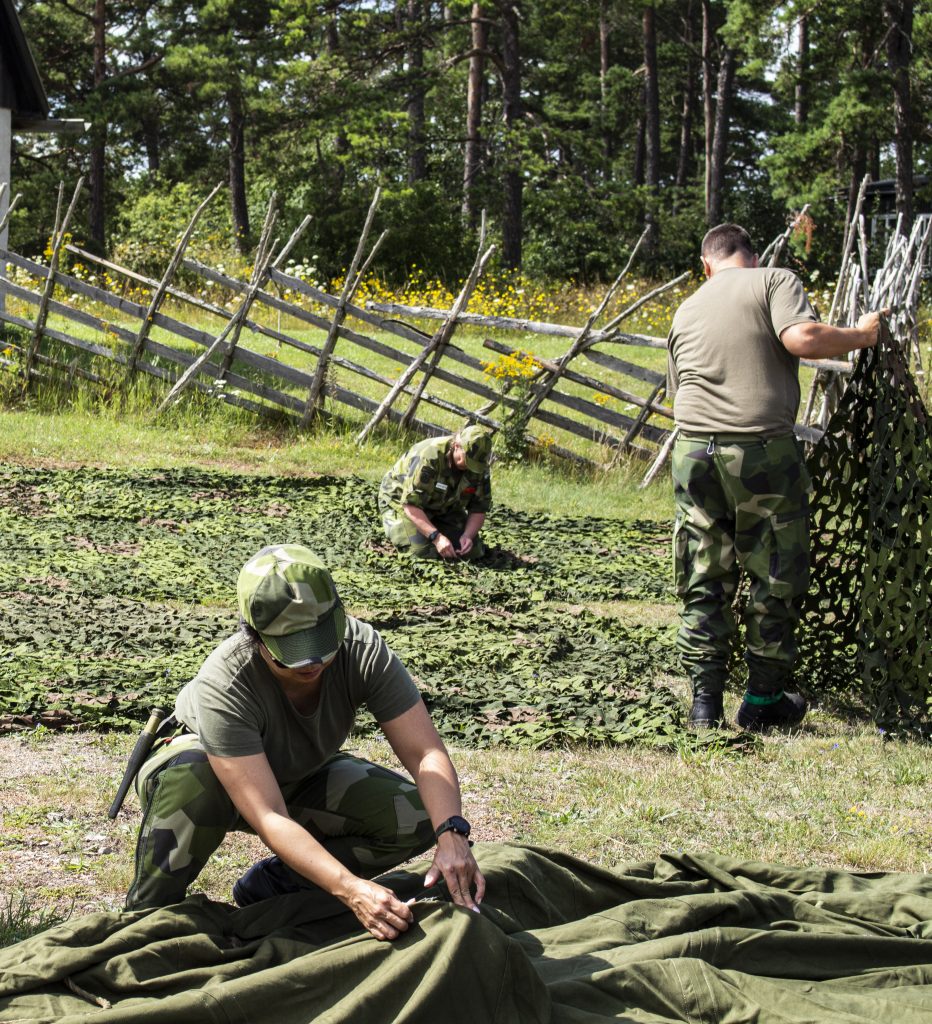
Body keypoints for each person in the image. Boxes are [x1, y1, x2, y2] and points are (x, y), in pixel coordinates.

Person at [125, 543, 484, 940]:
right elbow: (269, 815)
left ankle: (278, 888)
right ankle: (148, 914)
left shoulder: (362, 650)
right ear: (255, 635)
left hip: (296, 772)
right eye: (292, 652)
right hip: (204, 775)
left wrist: (452, 833)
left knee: (415, 814)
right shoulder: (224, 681)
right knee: (195, 774)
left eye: (321, 643)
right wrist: (350, 889)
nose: (313, 662)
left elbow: (425, 752)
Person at [666, 223, 885, 732]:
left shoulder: (686, 307)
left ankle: (704, 704)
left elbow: (677, 390)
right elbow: (802, 338)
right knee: (775, 571)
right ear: (751, 255)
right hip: (759, 450)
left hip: (692, 450)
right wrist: (862, 335)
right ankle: (762, 701)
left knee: (704, 573)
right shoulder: (772, 280)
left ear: (707, 265)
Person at [379, 424, 493, 559]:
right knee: (423, 552)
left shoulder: (478, 467)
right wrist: (436, 537)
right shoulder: (430, 457)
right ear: (457, 446)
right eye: (468, 461)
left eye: (475, 464)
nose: (470, 467)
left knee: (473, 551)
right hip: (400, 502)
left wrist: (467, 535)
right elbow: (410, 505)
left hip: (444, 506)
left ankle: (435, 527)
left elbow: (479, 508)